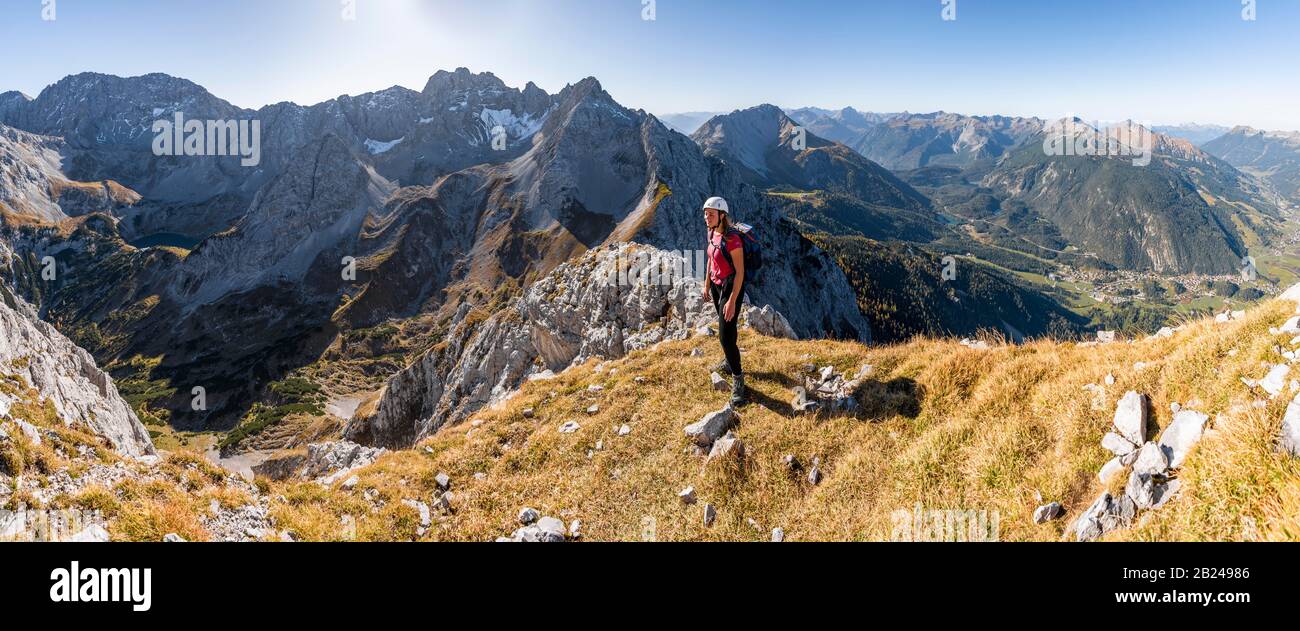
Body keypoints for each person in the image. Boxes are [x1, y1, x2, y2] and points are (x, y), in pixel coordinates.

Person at [702, 196, 746, 406]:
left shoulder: (733, 240)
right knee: (728, 330)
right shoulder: (712, 232)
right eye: (705, 214)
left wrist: (732, 300)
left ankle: (738, 378)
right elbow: (711, 258)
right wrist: (707, 284)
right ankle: (730, 362)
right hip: (717, 286)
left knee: (724, 337)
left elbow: (740, 273)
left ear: (721, 216)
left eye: (710, 214)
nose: (706, 217)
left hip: (730, 287)